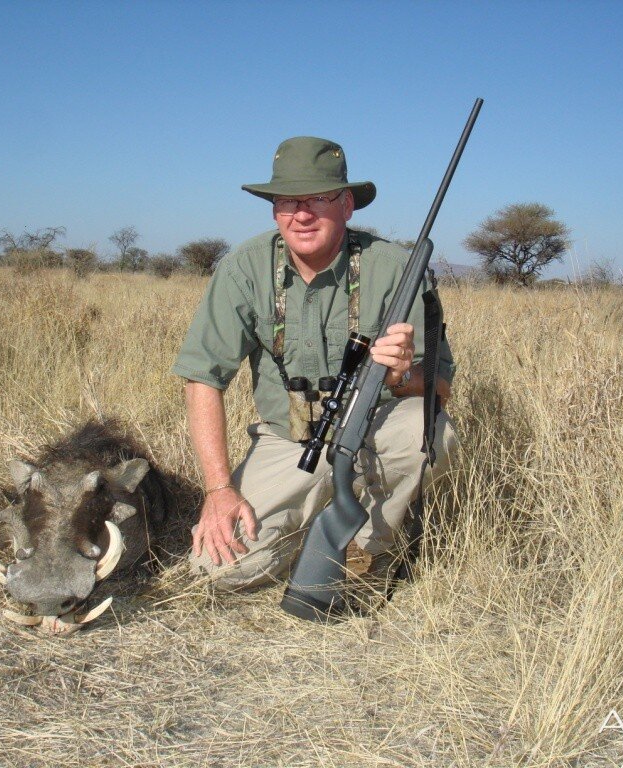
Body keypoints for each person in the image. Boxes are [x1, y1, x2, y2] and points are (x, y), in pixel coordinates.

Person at [172, 135, 458, 591]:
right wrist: (218, 490)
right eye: (288, 200)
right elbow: (202, 380)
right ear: (273, 209)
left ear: (347, 205)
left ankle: (371, 549)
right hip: (289, 442)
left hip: (375, 432)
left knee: (427, 434)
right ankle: (315, 526)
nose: (302, 214)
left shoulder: (398, 270)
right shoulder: (243, 269)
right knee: (220, 572)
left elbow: (440, 388)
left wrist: (401, 377)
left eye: (319, 199)